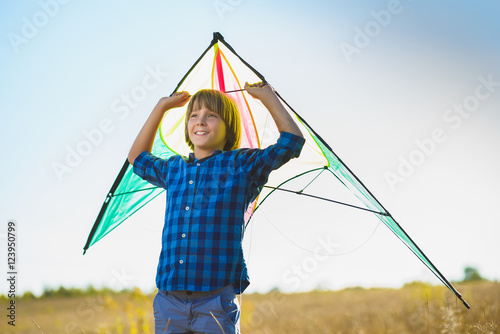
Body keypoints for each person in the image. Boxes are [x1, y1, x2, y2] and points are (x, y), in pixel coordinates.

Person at [128, 82, 305, 333]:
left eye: (211, 115)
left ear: (228, 127)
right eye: (194, 116)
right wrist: (161, 107)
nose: (200, 121)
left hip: (215, 301)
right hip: (169, 299)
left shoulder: (241, 164)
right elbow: (136, 157)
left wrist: (268, 97)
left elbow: (291, 142)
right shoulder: (173, 169)